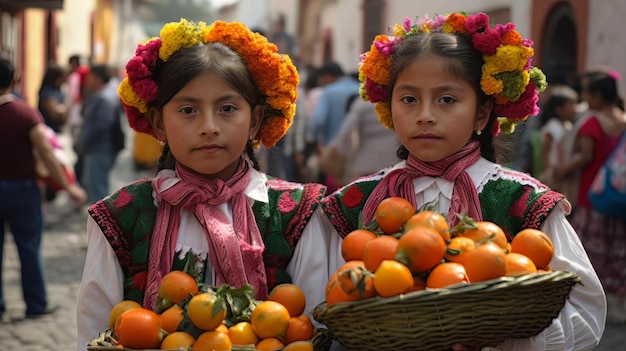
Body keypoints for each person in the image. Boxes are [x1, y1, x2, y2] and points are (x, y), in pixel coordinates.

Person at [321, 12, 605, 350]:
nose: (425, 114)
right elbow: (328, 305)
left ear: (482, 113)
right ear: (389, 107)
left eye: (447, 100)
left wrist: (508, 341)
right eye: (409, 99)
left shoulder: (522, 201)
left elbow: (586, 312)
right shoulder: (356, 201)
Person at [75, 19, 340, 350]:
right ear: (158, 123)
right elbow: (94, 330)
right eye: (188, 110)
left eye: (227, 108)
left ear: (255, 120)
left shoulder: (298, 213)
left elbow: (318, 329)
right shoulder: (119, 216)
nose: (209, 127)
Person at [0, 58, 86, 321]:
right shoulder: (25, 114)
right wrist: (69, 187)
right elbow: (47, 154)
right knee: (29, 247)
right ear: (15, 79)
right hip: (22, 190)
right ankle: (35, 304)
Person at [554, 69, 626, 324]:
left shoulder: (593, 121)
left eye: (587, 92)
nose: (584, 97)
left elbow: (585, 156)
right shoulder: (622, 118)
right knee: (616, 247)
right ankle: (618, 303)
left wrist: (561, 170)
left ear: (597, 95)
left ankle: (592, 304)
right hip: (617, 193)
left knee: (589, 251)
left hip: (591, 193)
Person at [76, 64, 123, 204]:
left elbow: (100, 127)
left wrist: (82, 144)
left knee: (98, 193)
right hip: (98, 149)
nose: (87, 81)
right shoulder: (102, 95)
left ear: (98, 79)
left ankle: (100, 224)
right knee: (96, 188)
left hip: (99, 149)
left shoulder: (103, 98)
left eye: (89, 77)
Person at [537, 85, 579, 189]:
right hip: (554, 172)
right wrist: (549, 170)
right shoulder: (552, 127)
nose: (575, 108)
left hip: (564, 171)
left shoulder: (568, 125)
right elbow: (545, 151)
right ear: (559, 109)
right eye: (571, 104)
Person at [38, 64, 69, 134]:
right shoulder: (47, 91)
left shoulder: (59, 90)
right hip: (49, 129)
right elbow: (54, 113)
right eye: (61, 79)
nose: (62, 82)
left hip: (59, 128)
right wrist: (67, 108)